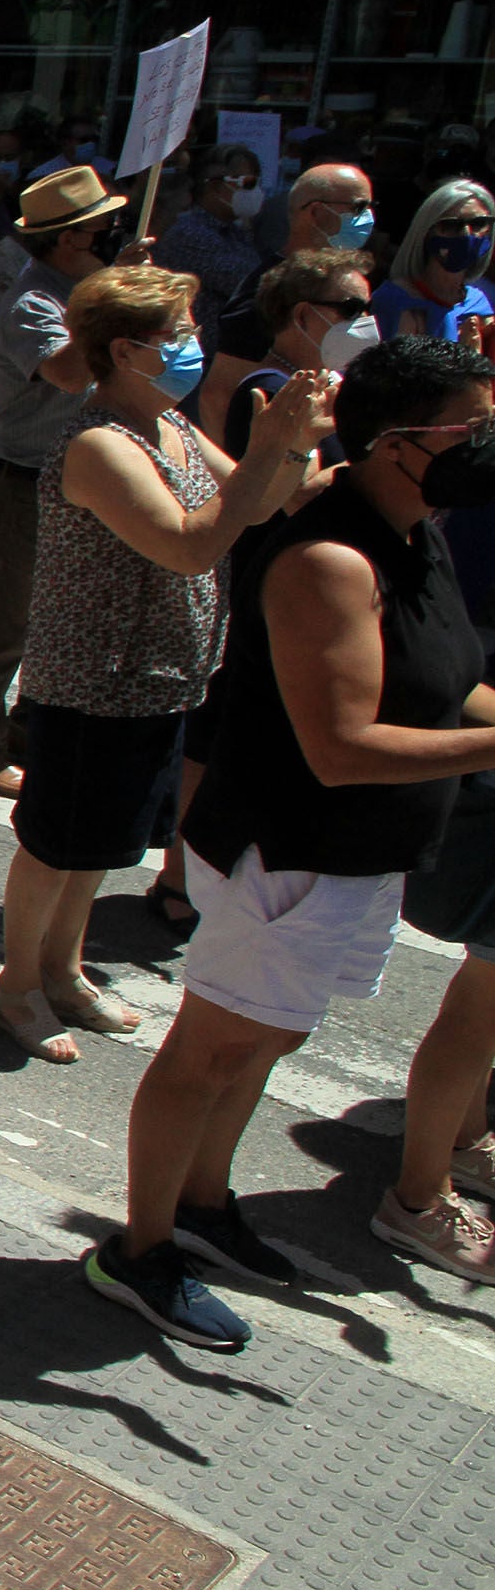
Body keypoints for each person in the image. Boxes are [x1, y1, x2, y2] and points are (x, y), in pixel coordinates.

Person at [88, 337, 495, 1344]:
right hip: (289, 850)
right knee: (210, 1046)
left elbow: (444, 686)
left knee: (266, 1036)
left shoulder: (416, 531)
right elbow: (340, 747)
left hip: (357, 856)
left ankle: (203, 1205)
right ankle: (135, 1250)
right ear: (399, 443)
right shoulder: (327, 557)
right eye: (470, 427)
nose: (484, 443)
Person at [0, 266, 332, 1066]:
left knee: (104, 844)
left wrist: (296, 439)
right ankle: (13, 983)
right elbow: (190, 543)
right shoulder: (99, 443)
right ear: (124, 350)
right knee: (54, 844)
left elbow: (275, 495)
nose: (191, 345)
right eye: (173, 333)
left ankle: (62, 969)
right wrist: (270, 448)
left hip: (160, 677)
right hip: (92, 680)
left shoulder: (170, 425)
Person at [0, 166, 121, 798]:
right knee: (6, 620)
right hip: (26, 477)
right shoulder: (33, 301)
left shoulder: (90, 284)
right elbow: (70, 372)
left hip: (82, 476)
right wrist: (110, 310)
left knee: (61, 616)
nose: (109, 229)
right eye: (97, 222)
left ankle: (25, 726)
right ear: (71, 237)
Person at [199, 161, 378, 437]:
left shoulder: (343, 282)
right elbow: (218, 397)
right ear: (317, 212)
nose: (368, 217)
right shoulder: (262, 296)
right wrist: (240, 470)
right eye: (357, 208)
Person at [154, 143, 269, 325]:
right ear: (215, 186)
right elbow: (250, 285)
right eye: (247, 183)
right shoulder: (190, 234)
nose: (255, 191)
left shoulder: (235, 232)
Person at [373, 178, 495, 344]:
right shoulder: (393, 300)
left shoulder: (478, 303)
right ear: (426, 232)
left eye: (478, 223)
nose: (466, 234)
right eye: (450, 226)